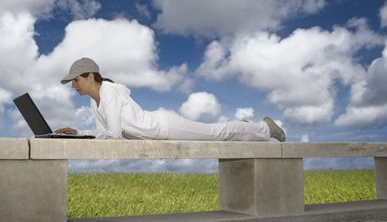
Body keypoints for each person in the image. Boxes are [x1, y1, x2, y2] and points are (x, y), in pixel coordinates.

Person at [56, 57, 286, 142]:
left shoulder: (110, 92)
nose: (74, 86)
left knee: (216, 133)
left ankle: (265, 128)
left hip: (165, 126)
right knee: (217, 132)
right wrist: (78, 134)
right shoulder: (94, 102)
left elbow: (114, 135)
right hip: (158, 131)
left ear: (90, 76)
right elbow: (104, 133)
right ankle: (246, 128)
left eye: (75, 80)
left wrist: (92, 136)